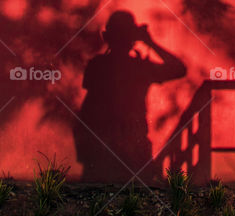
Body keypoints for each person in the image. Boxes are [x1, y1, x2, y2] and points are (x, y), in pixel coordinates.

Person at [74, 10, 187, 182]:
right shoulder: (140, 68)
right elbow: (179, 68)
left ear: (107, 36)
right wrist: (151, 43)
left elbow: (85, 112)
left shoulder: (97, 66)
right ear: (133, 38)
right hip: (131, 150)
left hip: (103, 151)